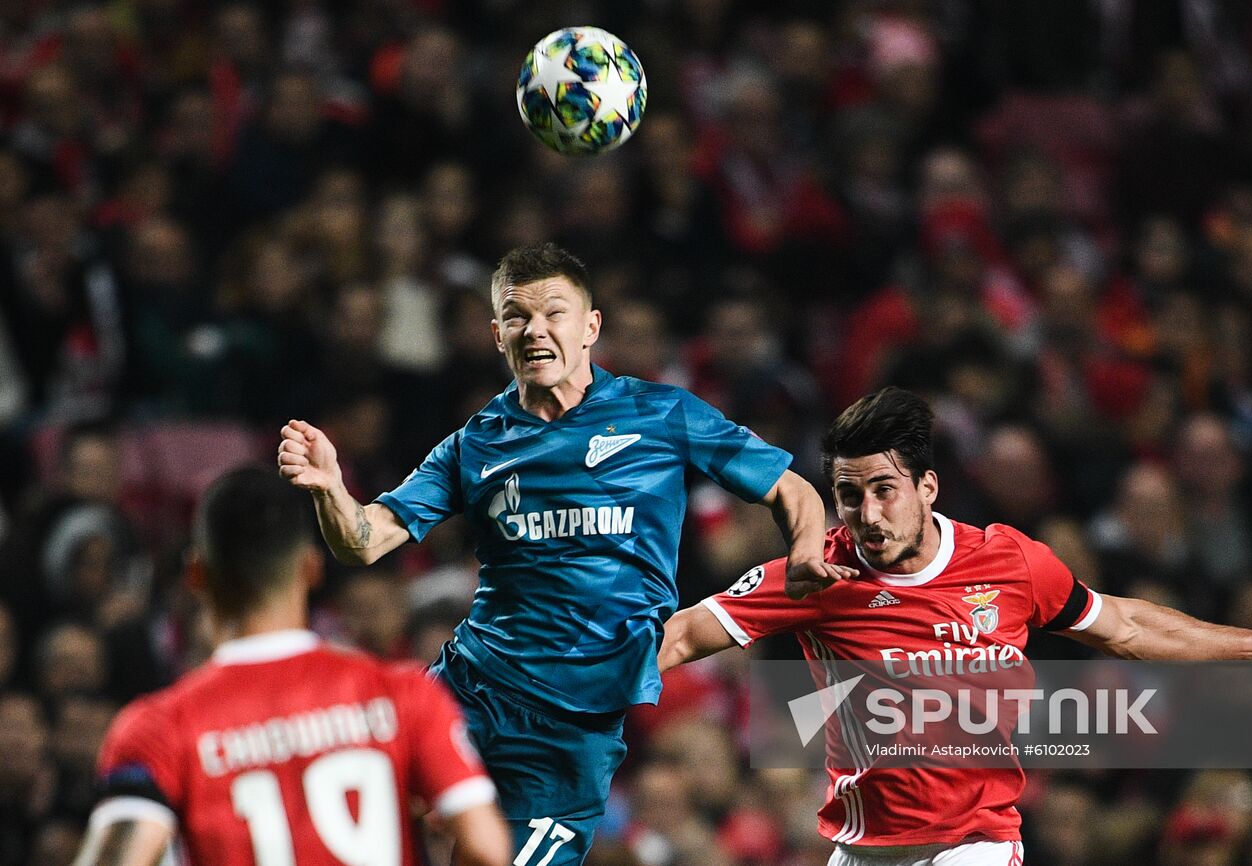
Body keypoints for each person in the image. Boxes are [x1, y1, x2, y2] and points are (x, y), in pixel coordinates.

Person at [277, 242, 851, 865]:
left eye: (554, 312)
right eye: (517, 316)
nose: (536, 329)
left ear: (591, 326)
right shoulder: (476, 443)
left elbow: (791, 489)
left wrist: (801, 554)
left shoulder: (661, 414)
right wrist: (331, 490)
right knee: (342, 820)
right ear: (498, 335)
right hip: (469, 686)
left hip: (571, 725)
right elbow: (364, 541)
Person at [659, 387, 1252, 866]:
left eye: (883, 490)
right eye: (848, 495)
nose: (867, 515)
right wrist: (560, 686)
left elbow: (1122, 626)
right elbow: (685, 636)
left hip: (975, 844)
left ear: (926, 488)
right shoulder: (817, 574)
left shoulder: (1011, 562)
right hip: (862, 846)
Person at [73, 468, 510, 866]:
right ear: (311, 568)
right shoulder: (404, 695)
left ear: (196, 575)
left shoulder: (159, 729)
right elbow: (486, 845)